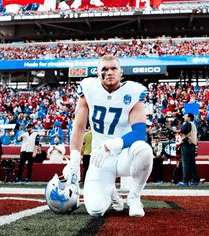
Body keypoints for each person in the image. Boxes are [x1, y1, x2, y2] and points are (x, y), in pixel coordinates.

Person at [63, 55, 153, 217]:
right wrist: (75, 161)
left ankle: (134, 197)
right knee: (95, 210)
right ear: (97, 73)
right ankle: (110, 190)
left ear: (121, 72)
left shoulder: (133, 91)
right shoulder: (88, 88)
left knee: (144, 150)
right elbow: (78, 127)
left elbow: (140, 133)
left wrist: (113, 144)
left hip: (124, 154)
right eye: (104, 69)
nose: (109, 72)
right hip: (100, 158)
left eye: (113, 68)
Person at [177, 113, 199, 186]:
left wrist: (176, 130)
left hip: (186, 145)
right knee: (192, 164)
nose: (184, 117)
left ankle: (185, 181)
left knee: (185, 164)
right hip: (192, 145)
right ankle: (195, 180)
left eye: (185, 116)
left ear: (189, 118)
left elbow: (182, 131)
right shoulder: (193, 124)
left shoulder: (187, 123)